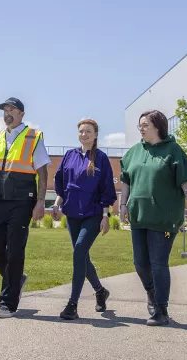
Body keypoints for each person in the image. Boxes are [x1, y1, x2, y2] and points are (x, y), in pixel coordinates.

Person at [120, 110, 187, 327]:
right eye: (140, 125)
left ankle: (161, 310)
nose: (141, 128)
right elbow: (126, 180)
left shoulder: (173, 151)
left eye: (145, 124)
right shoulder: (134, 152)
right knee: (140, 263)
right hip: (139, 216)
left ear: (158, 126)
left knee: (158, 263)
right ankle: (152, 293)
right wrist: (122, 204)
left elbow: (185, 181)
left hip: (164, 218)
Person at [0, 97, 51, 318]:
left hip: (22, 201)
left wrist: (40, 202)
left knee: (15, 250)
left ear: (21, 114)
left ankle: (7, 304)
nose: (8, 113)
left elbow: (43, 172)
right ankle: (17, 280)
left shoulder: (33, 137)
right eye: (5, 110)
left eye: (12, 109)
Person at [52, 119, 117, 320]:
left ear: (95, 135)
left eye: (88, 131)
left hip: (93, 213)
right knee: (82, 256)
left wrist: (105, 216)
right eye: (81, 131)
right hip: (72, 213)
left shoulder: (101, 158)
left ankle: (72, 304)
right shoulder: (69, 156)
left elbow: (107, 189)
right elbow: (62, 183)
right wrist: (56, 203)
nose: (84, 134)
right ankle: (100, 291)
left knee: (80, 250)